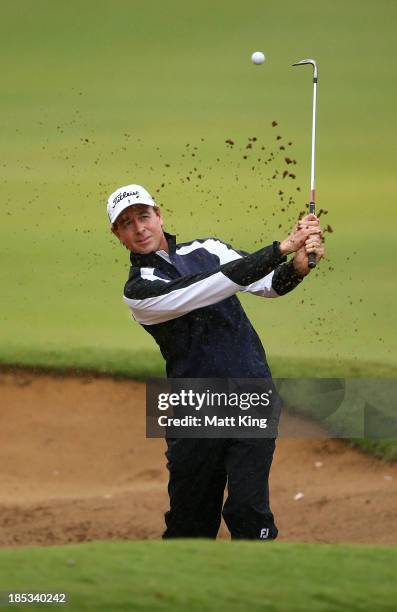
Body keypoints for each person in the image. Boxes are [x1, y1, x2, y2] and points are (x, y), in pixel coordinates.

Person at [107, 183, 324, 540]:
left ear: (159, 215)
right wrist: (283, 246)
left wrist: (298, 266)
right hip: (196, 407)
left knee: (249, 512)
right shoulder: (139, 292)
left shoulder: (208, 249)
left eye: (144, 216)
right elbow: (210, 286)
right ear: (118, 234)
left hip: (252, 392)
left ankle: (256, 590)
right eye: (127, 223)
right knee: (190, 524)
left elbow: (268, 283)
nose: (139, 228)